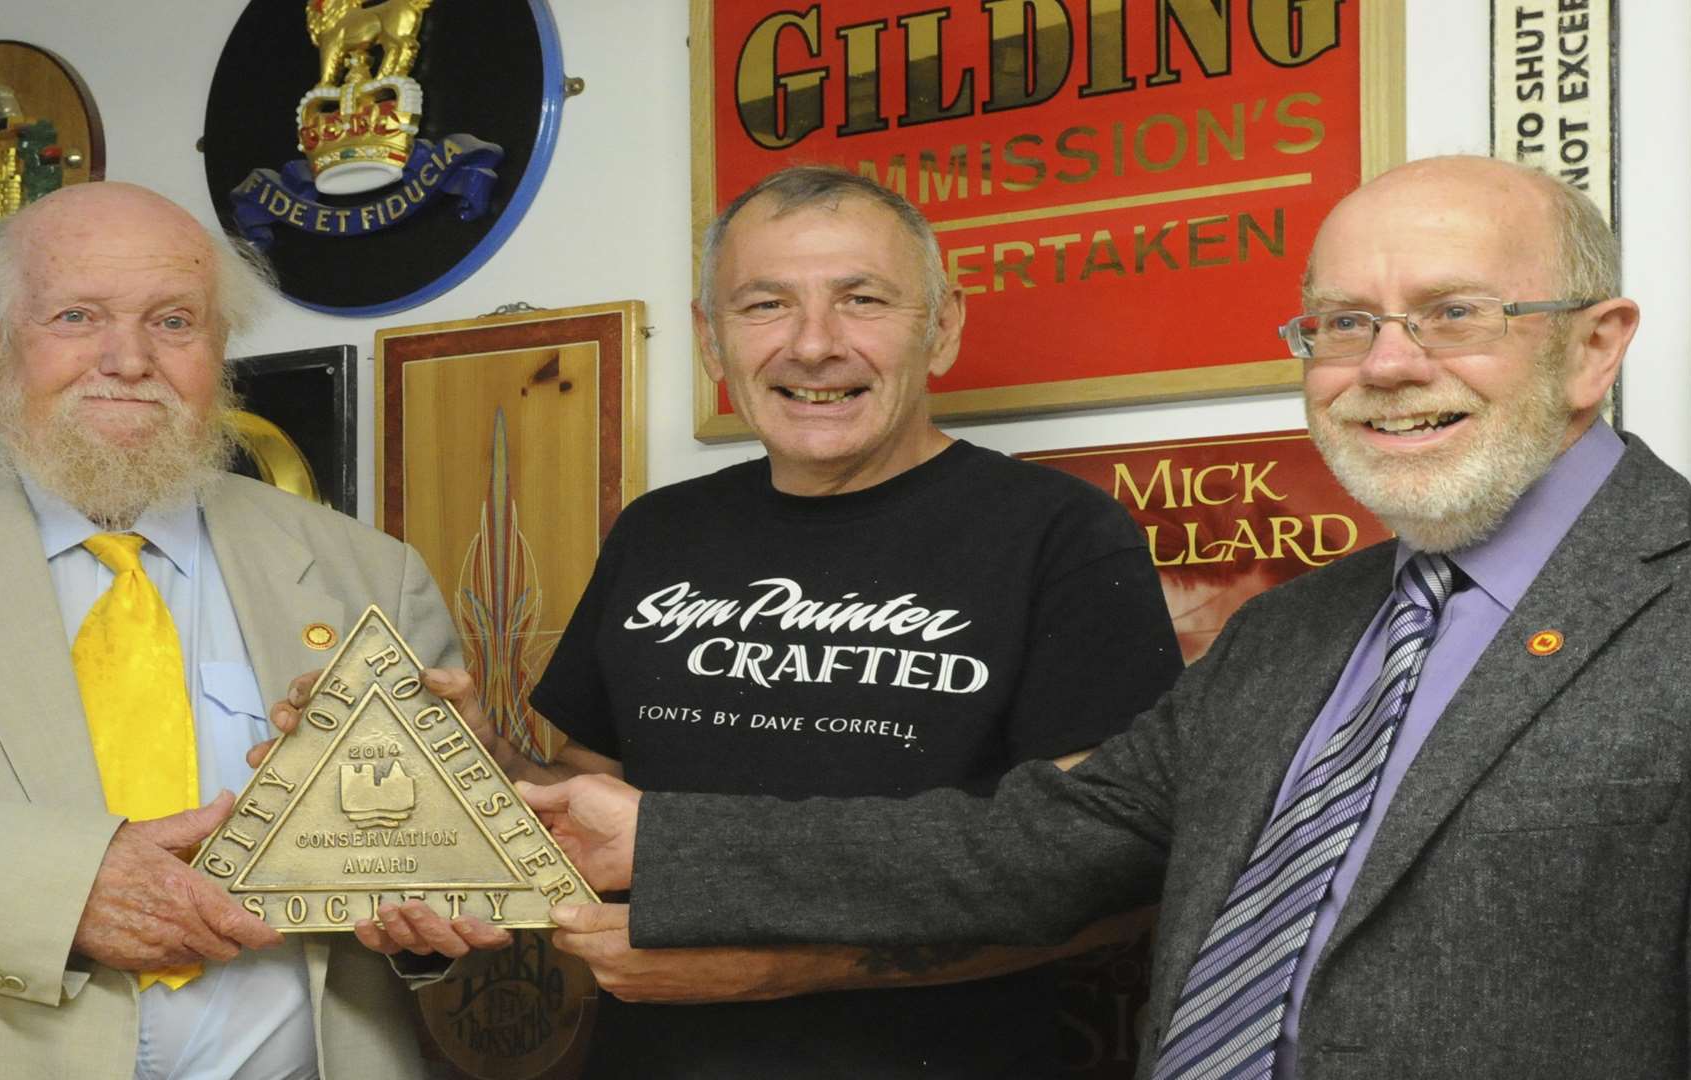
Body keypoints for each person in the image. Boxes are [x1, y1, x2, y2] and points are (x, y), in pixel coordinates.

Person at [521, 155, 1691, 1079]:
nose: (1386, 363)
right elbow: (1044, 844)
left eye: (1456, 313)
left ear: (1596, 348)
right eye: (1341, 323)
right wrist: (664, 842)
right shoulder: (1297, 635)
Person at [320, 164, 1182, 1077]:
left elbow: (1113, 877)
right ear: (710, 341)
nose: (814, 345)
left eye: (863, 299)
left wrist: (779, 968)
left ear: (944, 328)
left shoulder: (1061, 536)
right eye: (765, 305)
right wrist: (487, 773)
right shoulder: (661, 532)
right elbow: (591, 807)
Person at [0, 182, 465, 1080]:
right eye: (76, 316)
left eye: (174, 322)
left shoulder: (368, 572)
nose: (129, 360)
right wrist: (61, 892)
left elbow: (430, 882)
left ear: (219, 351)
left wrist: (433, 903)